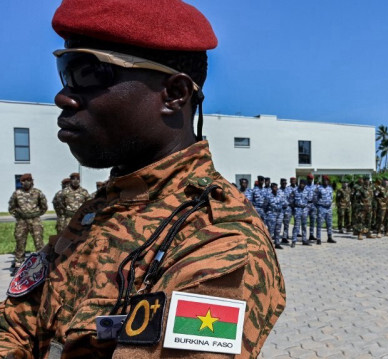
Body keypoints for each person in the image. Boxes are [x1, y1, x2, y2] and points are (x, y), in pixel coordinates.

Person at [0, 1, 286, 357]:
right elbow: (17, 323)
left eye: (87, 73)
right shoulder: (103, 206)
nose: (63, 96)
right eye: (64, 73)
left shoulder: (219, 241)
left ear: (175, 94)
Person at [7, 173, 48, 269]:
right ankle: (18, 262)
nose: (26, 182)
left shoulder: (38, 192)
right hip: (22, 221)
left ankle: (41, 261)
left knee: (39, 242)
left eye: (28, 180)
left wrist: (36, 214)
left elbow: (44, 206)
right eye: (23, 181)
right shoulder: (17, 193)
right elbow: (11, 207)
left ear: (32, 181)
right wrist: (18, 216)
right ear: (21, 182)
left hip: (35, 220)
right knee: (20, 241)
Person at [290, 179, 311, 246]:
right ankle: (294, 241)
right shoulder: (295, 191)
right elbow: (291, 200)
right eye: (301, 184)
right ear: (299, 184)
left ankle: (304, 240)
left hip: (304, 209)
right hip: (297, 209)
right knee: (296, 225)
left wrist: (307, 207)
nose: (302, 185)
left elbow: (309, 200)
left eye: (303, 184)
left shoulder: (307, 191)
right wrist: (294, 207)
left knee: (304, 226)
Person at [315, 175, 335, 243]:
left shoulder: (330, 188)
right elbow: (315, 198)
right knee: (319, 223)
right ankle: (318, 238)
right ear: (322, 181)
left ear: (328, 181)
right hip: (321, 208)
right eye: (324, 180)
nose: (325, 181)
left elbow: (331, 197)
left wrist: (330, 202)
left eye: (327, 180)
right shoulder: (319, 188)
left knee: (329, 223)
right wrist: (318, 206)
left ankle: (329, 237)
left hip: (329, 208)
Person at [265, 183, 285, 249]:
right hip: (271, 214)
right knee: (271, 229)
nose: (275, 189)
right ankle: (269, 244)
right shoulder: (268, 196)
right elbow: (265, 205)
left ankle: (277, 243)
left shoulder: (280, 195)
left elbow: (284, 203)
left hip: (279, 214)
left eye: (276, 187)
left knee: (278, 229)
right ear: (271, 188)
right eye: (274, 187)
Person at [281, 177, 296, 242]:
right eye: (291, 180)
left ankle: (294, 235)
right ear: (290, 181)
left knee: (297, 223)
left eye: (294, 180)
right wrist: (289, 203)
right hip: (289, 207)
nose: (293, 181)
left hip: (296, 208)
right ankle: (285, 236)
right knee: (286, 223)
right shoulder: (287, 189)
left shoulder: (297, 188)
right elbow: (286, 198)